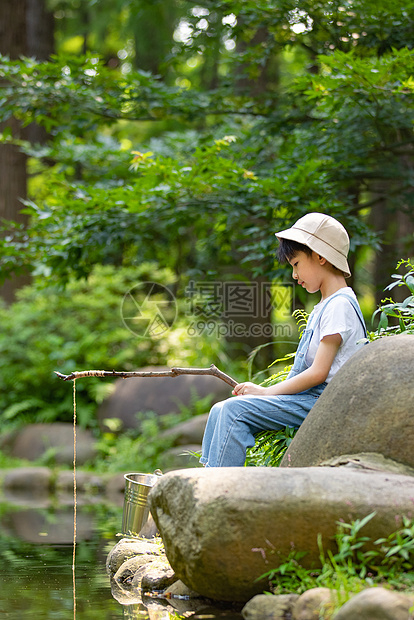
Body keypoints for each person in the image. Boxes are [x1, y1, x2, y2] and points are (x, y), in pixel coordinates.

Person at [200, 212, 367, 468]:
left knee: (233, 412)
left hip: (325, 402)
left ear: (320, 256)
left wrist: (266, 392)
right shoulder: (327, 304)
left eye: (296, 263)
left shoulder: (339, 305)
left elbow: (318, 373)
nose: (294, 274)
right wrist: (263, 394)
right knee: (220, 410)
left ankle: (216, 495)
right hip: (311, 399)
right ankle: (204, 483)